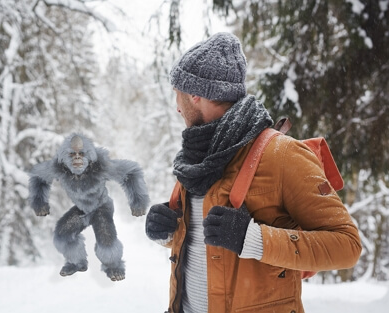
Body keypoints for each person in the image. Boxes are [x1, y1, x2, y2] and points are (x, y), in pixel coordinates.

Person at [145, 32, 362, 313]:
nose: (177, 107)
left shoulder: (283, 155)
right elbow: (213, 246)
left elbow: (347, 246)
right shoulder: (195, 158)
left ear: (195, 94)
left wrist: (254, 239)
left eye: (178, 95)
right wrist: (170, 233)